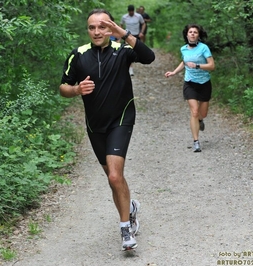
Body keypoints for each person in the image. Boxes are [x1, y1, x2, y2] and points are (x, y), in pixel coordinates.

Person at [59, 9, 155, 250]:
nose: (96, 32)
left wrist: (123, 33)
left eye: (102, 27)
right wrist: (76, 90)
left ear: (110, 28)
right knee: (113, 179)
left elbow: (148, 57)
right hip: (95, 125)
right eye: (92, 27)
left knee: (114, 175)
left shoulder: (121, 51)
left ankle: (125, 229)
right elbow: (63, 87)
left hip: (121, 119)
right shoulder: (78, 55)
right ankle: (130, 207)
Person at [164, 24, 215, 152]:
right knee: (194, 111)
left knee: (202, 114)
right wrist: (174, 72)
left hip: (204, 83)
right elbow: (184, 61)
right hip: (190, 83)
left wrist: (198, 66)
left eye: (195, 32)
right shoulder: (183, 49)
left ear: (198, 35)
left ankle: (200, 120)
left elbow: (212, 66)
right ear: (186, 35)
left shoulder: (204, 48)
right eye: (190, 32)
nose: (192, 34)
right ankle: (196, 141)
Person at [120, 4, 146, 76]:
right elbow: (121, 25)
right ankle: (130, 68)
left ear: (133, 11)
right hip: (128, 36)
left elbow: (143, 24)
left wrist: (142, 32)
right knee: (128, 51)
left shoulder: (138, 16)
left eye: (132, 11)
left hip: (136, 35)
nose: (131, 12)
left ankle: (141, 60)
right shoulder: (124, 17)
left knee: (137, 51)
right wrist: (122, 33)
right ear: (128, 11)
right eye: (130, 11)